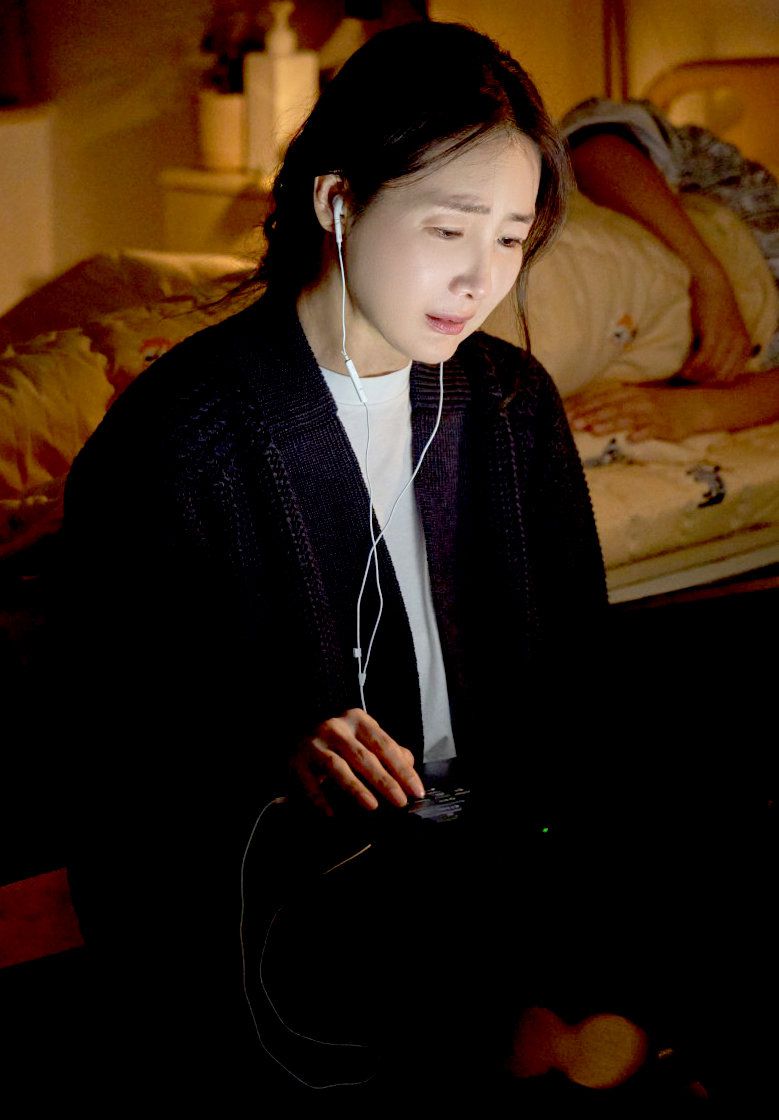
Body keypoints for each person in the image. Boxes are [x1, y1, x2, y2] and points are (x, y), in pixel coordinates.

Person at [56, 21, 608, 1106]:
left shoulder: (507, 404)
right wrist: (274, 749)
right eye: (447, 228)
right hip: (300, 891)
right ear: (337, 200)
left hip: (492, 859)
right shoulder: (183, 439)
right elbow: (105, 732)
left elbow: (577, 683)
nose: (479, 277)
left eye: (509, 238)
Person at [559, 98, 779, 442]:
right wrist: (709, 279)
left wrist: (695, 410)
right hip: (580, 255)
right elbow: (598, 152)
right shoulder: (744, 186)